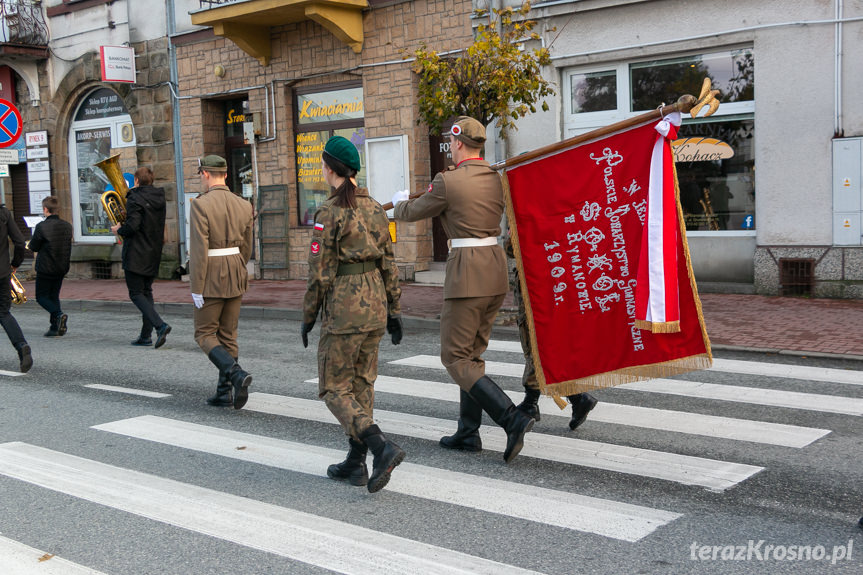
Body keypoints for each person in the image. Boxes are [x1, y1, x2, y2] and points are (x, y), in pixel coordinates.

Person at [392, 116, 534, 463]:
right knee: (472, 356)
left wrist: (397, 204)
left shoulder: (447, 181)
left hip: (467, 273)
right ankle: (468, 432)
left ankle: (510, 417)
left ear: (456, 144)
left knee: (454, 357)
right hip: (494, 270)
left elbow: (414, 212)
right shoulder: (495, 178)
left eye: (451, 144)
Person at [302, 135, 404, 494]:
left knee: (334, 388)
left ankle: (380, 447)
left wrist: (308, 314)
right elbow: (389, 261)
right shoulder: (376, 207)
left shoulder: (328, 212)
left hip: (344, 306)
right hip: (375, 302)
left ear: (329, 169)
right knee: (362, 385)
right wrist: (395, 309)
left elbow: (319, 271)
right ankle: (356, 461)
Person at [505, 236, 597, 430]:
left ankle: (533, 403)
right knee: (548, 342)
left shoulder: (530, 208)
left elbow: (512, 246)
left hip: (536, 282)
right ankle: (574, 398)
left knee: (535, 342)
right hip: (559, 278)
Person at [190, 155, 254, 409]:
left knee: (204, 333)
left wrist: (196, 286)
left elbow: (198, 250)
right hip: (236, 269)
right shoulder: (244, 204)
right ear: (225, 175)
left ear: (205, 174)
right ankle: (224, 391)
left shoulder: (200, 204)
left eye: (200, 175)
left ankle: (236, 374)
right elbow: (247, 246)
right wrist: (238, 266)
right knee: (228, 334)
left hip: (211, 273)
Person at [110, 167, 171, 348]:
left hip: (136, 252)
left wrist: (119, 229)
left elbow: (133, 226)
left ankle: (160, 325)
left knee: (136, 293)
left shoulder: (135, 198)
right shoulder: (160, 197)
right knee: (146, 292)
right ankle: (146, 336)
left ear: (136, 180)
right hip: (153, 251)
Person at [29, 196, 73, 337]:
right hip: (61, 267)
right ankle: (55, 327)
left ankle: (58, 315)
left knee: (41, 297)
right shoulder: (67, 226)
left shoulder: (42, 226)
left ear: (45, 209)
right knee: (54, 296)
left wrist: (30, 244)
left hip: (46, 267)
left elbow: (34, 246)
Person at [0, 203, 32, 372]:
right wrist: (15, 264)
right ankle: (21, 346)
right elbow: (20, 242)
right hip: (3, 272)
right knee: (4, 313)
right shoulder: (4, 213)